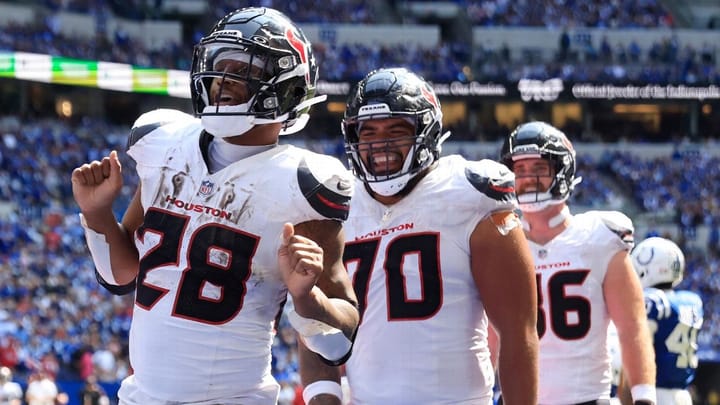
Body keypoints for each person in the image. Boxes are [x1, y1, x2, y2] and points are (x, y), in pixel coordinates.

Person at [71, 7, 359, 405]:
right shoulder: (163, 142)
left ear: (286, 88)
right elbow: (121, 277)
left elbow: (337, 344)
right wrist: (98, 214)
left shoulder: (305, 184)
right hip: (141, 396)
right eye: (221, 67)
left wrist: (308, 299)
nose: (224, 81)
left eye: (245, 70)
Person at [332, 67, 538, 404]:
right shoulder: (340, 205)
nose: (380, 143)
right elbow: (319, 329)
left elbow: (518, 333)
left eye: (396, 129)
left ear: (426, 131)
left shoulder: (470, 193)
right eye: (368, 132)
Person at [499, 121, 657, 404]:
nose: (526, 179)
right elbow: (489, 336)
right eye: (519, 170)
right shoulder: (502, 243)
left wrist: (644, 396)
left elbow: (631, 325)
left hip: (586, 398)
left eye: (538, 169)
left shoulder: (600, 236)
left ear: (562, 171)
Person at [616, 237, 703, 405]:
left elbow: (636, 356)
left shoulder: (652, 302)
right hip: (683, 396)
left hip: (653, 394)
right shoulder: (692, 301)